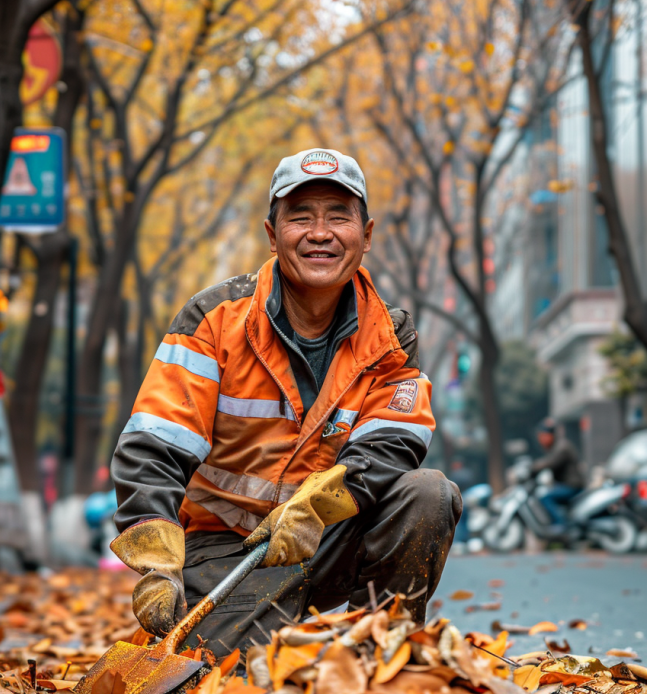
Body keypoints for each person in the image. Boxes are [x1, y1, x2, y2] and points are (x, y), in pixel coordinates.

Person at [110, 147, 462, 658]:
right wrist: (158, 561)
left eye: (339, 216)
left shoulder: (390, 334)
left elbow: (393, 441)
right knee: (236, 680)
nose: (320, 233)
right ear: (273, 235)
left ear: (366, 235)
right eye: (301, 217)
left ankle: (386, 655)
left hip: (325, 538)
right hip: (223, 551)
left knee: (427, 493)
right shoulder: (215, 319)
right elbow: (154, 444)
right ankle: (249, 636)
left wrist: (316, 509)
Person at [531, 416, 584, 525]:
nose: (542, 439)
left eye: (544, 436)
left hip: (572, 486)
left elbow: (550, 462)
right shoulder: (556, 447)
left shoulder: (562, 447)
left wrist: (532, 467)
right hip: (565, 485)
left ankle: (560, 524)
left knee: (545, 497)